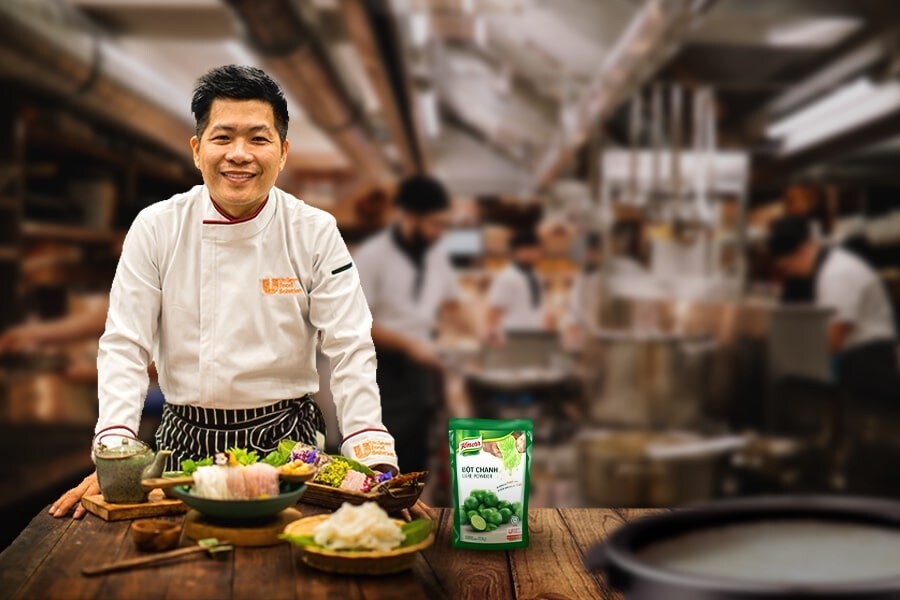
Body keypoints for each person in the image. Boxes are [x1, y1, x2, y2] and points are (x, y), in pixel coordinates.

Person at [51, 65, 432, 520]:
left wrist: (375, 464)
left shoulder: (314, 231)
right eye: (223, 137)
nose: (239, 154)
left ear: (283, 152)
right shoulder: (156, 227)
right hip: (183, 446)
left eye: (258, 138)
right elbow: (124, 345)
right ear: (197, 150)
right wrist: (114, 452)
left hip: (292, 452)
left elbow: (350, 347)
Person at [353, 174, 474, 473]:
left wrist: (481, 334)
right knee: (387, 458)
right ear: (409, 216)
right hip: (382, 372)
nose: (439, 233)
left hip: (421, 368)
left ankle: (415, 496)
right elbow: (356, 322)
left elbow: (452, 304)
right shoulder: (372, 256)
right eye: (434, 224)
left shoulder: (436, 254)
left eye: (444, 225)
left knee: (419, 454)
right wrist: (409, 345)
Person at [767, 215, 899, 406]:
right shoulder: (830, 268)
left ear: (803, 251)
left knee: (871, 421)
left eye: (788, 266)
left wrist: (791, 362)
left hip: (871, 366)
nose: (791, 273)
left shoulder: (836, 273)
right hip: (862, 362)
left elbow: (833, 339)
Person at [486, 228, 550, 342]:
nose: (536, 253)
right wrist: (493, 336)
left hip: (535, 335)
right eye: (530, 249)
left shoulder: (536, 275)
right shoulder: (506, 277)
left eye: (537, 250)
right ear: (517, 251)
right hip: (512, 336)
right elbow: (494, 311)